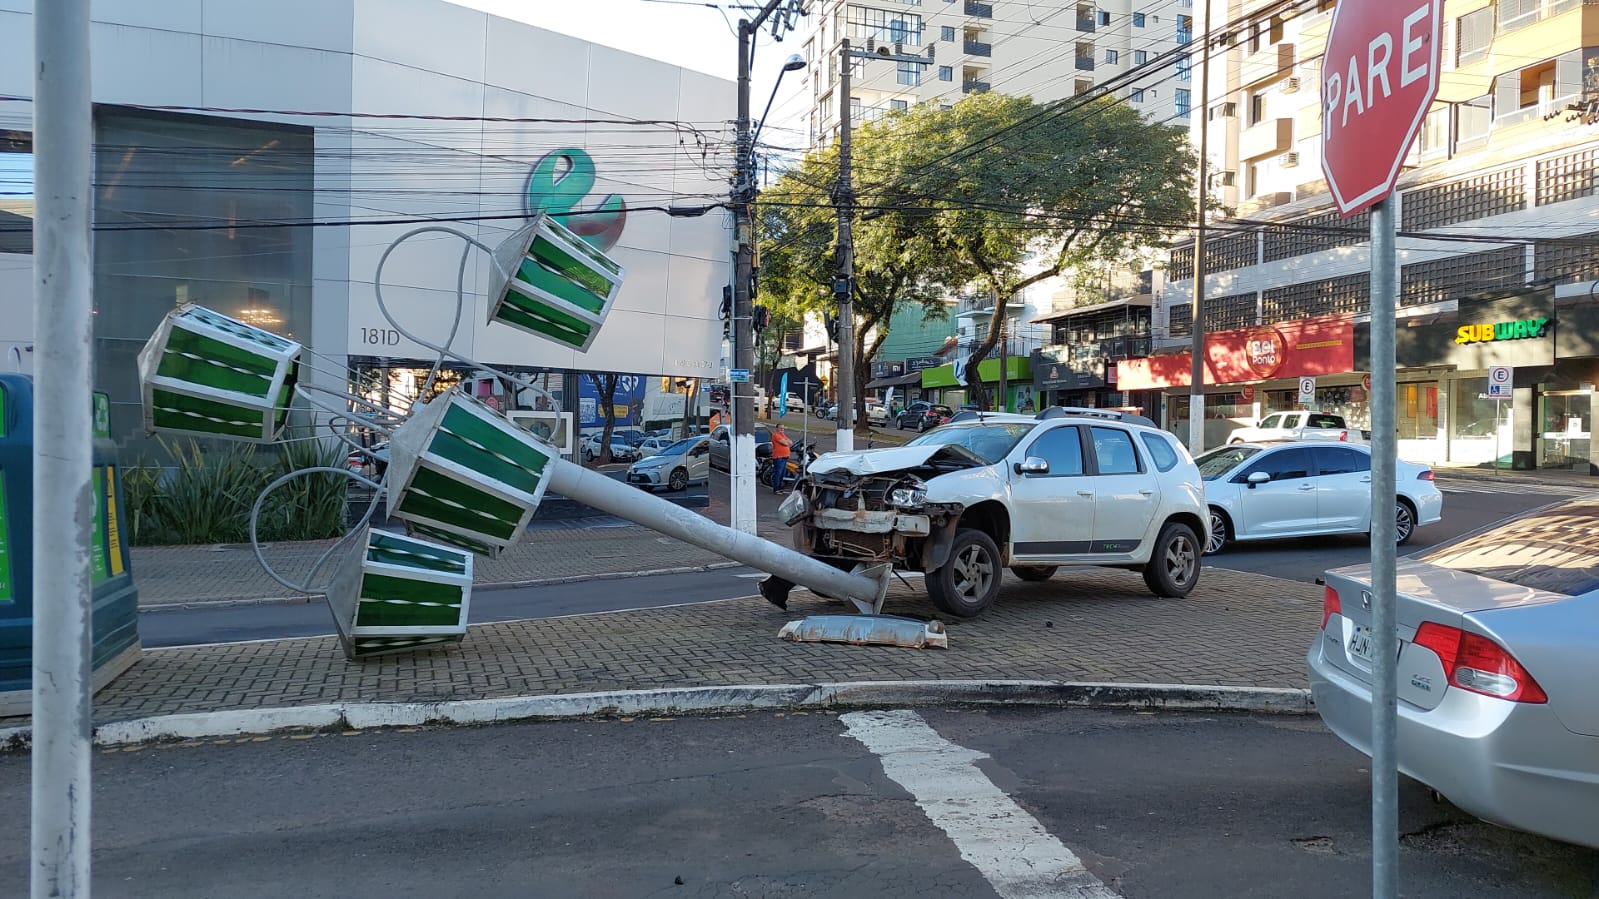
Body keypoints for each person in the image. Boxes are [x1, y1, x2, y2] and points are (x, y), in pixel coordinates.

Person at [770, 423, 793, 493]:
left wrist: (786, 440)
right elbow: (786, 443)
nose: (782, 430)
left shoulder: (782, 435)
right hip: (778, 457)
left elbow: (791, 442)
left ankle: (779, 488)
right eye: (780, 428)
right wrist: (786, 441)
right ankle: (776, 489)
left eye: (783, 429)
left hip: (784, 457)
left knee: (782, 473)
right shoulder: (776, 435)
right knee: (778, 473)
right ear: (777, 429)